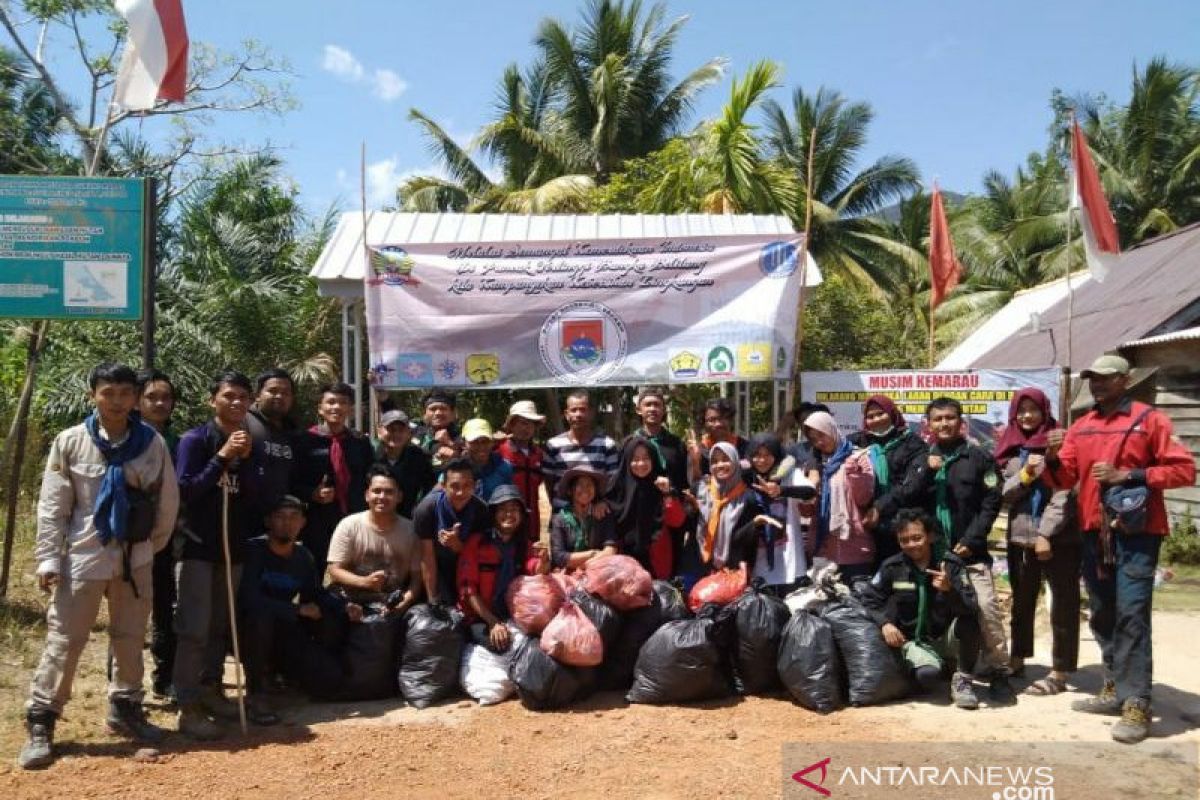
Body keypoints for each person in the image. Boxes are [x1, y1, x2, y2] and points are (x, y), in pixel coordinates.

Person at [18, 363, 179, 770]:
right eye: (109, 392)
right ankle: (42, 719)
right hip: (82, 557)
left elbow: (166, 504)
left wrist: (147, 549)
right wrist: (48, 558)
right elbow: (53, 507)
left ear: (135, 397)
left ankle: (126, 706)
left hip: (134, 559)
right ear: (93, 394)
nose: (117, 401)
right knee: (66, 639)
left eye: (126, 393)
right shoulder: (70, 442)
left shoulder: (151, 444)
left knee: (129, 637)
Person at [1044, 354, 1195, 743]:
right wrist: (1050, 455)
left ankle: (1137, 704)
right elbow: (1063, 479)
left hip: (1138, 533)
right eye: (1093, 378)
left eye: (1107, 378)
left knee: (1132, 614)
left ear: (1125, 380)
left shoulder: (1150, 420)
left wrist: (1128, 474)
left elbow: (1184, 471)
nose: (1098, 384)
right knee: (1102, 613)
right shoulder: (1082, 426)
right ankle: (1113, 688)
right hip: (1095, 533)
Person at [173, 370, 265, 740]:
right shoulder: (196, 440)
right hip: (197, 546)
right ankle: (187, 704)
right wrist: (221, 458)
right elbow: (186, 491)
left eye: (243, 397)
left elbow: (256, 496)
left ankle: (212, 691)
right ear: (213, 400)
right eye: (229, 396)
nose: (237, 403)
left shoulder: (249, 441)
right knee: (193, 629)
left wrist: (246, 460)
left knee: (217, 629)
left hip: (233, 548)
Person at [918, 397, 1015, 705]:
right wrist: (924, 470)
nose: (944, 424)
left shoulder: (979, 458)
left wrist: (972, 540)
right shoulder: (923, 460)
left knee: (986, 610)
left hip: (970, 554)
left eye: (950, 418)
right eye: (938, 419)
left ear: (961, 422)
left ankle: (999, 672)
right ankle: (950, 669)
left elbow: (991, 504)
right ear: (929, 424)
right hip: (932, 557)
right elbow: (909, 500)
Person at [995, 388, 1080, 697]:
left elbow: (1065, 493)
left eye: (1033, 410)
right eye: (1022, 410)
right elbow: (1004, 494)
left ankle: (1059, 671)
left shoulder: (1060, 443)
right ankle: (1018, 658)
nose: (1027, 416)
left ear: (1045, 411)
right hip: (1019, 537)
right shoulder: (1010, 448)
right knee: (1022, 602)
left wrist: (1046, 533)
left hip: (1060, 539)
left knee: (1063, 604)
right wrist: (1027, 474)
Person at [860, 509, 983, 709]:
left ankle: (963, 681)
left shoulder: (950, 565)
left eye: (917, 538)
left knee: (971, 622)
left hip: (945, 636)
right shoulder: (892, 567)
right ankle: (936, 668)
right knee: (929, 677)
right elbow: (868, 599)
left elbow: (971, 606)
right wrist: (885, 623)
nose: (911, 545)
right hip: (914, 641)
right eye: (904, 540)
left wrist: (949, 590)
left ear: (930, 536)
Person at [238, 495, 346, 721]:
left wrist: (346, 607)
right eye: (280, 517)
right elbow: (249, 599)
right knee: (260, 618)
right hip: (244, 630)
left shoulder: (303, 556)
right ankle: (256, 693)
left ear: (303, 523)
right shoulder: (253, 550)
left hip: (285, 629)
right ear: (268, 521)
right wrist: (296, 610)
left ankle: (289, 678)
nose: (287, 523)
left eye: (294, 517)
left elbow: (315, 594)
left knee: (331, 677)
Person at [293, 382, 375, 570]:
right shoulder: (304, 441)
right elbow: (291, 481)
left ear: (350, 409)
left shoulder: (360, 442)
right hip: (317, 518)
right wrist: (311, 493)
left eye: (343, 403)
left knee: (354, 568)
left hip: (354, 516)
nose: (336, 407)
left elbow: (370, 477)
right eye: (331, 402)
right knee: (314, 568)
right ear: (320, 408)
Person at [457, 484, 549, 651]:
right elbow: (468, 590)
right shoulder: (476, 543)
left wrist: (543, 561)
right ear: (493, 514)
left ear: (521, 516)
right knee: (504, 646)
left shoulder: (524, 545)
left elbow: (535, 572)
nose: (509, 514)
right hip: (480, 618)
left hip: (513, 616)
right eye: (503, 509)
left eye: (514, 509)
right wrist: (493, 622)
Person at [136, 368, 180, 700]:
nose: (160, 402)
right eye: (152, 396)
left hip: (167, 540)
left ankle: (165, 678)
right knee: (129, 612)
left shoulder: (178, 441)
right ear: (137, 402)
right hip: (129, 539)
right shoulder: (125, 439)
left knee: (166, 608)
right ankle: (122, 684)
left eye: (166, 397)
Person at [327, 466, 423, 618]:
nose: (382, 496)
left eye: (389, 492)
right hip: (351, 599)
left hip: (391, 600)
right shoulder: (349, 525)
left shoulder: (412, 531)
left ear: (399, 497)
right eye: (377, 491)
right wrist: (364, 582)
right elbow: (334, 570)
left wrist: (404, 602)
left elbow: (417, 578)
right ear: (367, 495)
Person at [850, 394, 929, 567]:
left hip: (901, 521)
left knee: (900, 576)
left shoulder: (913, 444)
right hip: (865, 523)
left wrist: (879, 507)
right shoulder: (857, 442)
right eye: (870, 417)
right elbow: (827, 448)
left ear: (892, 413)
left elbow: (912, 485)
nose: (876, 419)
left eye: (880, 414)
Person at [800, 411, 876, 585]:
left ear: (832, 429)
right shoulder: (815, 466)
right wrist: (805, 498)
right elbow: (808, 511)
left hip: (854, 546)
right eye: (813, 439)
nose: (819, 442)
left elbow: (864, 499)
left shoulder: (858, 457)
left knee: (856, 605)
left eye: (822, 434)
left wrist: (854, 473)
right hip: (824, 548)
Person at [680, 443, 762, 588]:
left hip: (730, 572)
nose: (720, 465)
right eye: (715, 461)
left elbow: (746, 542)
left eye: (725, 459)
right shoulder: (700, 489)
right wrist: (691, 510)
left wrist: (754, 524)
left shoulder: (748, 498)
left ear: (735, 462)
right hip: (698, 566)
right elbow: (688, 527)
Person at [743, 432, 816, 594]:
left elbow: (810, 492)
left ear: (776, 454)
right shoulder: (746, 478)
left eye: (768, 455)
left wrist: (781, 490)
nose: (761, 460)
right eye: (756, 455)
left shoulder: (787, 474)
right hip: (757, 563)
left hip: (788, 563)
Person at [607, 435, 687, 578]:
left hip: (656, 562)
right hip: (622, 564)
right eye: (635, 459)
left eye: (646, 458)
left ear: (653, 459)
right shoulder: (616, 489)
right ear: (627, 460)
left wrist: (668, 494)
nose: (641, 463)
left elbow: (677, 521)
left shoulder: (661, 486)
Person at [413, 458, 490, 605]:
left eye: (467, 485)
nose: (461, 492)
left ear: (475, 486)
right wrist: (432, 598)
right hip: (436, 564)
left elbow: (478, 556)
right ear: (443, 486)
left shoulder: (481, 510)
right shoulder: (426, 509)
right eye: (454, 486)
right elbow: (426, 556)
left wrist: (457, 545)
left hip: (467, 567)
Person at [541, 389, 619, 500]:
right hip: (562, 513)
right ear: (566, 414)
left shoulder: (607, 445)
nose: (578, 414)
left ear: (591, 413)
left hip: (595, 513)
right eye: (573, 410)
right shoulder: (553, 445)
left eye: (583, 410)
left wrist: (603, 503)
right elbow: (549, 483)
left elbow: (612, 482)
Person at [245, 368, 299, 513]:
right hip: (245, 514)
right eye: (273, 391)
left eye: (286, 393)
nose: (279, 396)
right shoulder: (243, 423)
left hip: (280, 520)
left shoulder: (293, 433)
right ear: (257, 395)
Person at [549, 466, 619, 570]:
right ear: (570, 491)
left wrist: (584, 566)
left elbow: (611, 549)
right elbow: (559, 557)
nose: (585, 489)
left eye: (589, 485)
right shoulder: (559, 519)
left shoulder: (603, 514)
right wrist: (593, 553)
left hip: (598, 571)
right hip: (568, 575)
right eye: (580, 485)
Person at [496, 400, 546, 542]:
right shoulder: (498, 451)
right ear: (511, 425)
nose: (527, 428)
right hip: (505, 519)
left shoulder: (539, 454)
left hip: (532, 520)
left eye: (531, 423)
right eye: (522, 423)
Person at [374, 408, 435, 519]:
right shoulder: (369, 454)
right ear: (379, 431)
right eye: (391, 429)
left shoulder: (418, 457)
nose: (396, 434)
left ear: (408, 433)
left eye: (401, 430)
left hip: (408, 521)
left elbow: (429, 488)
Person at [633, 387, 688, 492]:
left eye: (657, 405)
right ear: (638, 410)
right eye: (648, 405)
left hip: (671, 503)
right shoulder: (630, 444)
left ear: (664, 410)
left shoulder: (676, 444)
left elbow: (684, 481)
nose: (652, 409)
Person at [688, 397, 748, 481]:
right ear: (704, 423)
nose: (718, 424)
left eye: (722, 418)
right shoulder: (698, 450)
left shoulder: (745, 447)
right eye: (712, 420)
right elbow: (694, 485)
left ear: (730, 420)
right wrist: (695, 462)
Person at [459, 418, 514, 501]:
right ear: (464, 443)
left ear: (492, 442)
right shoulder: (455, 469)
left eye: (485, 441)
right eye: (474, 442)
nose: (481, 447)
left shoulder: (504, 468)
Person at [414, 389, 462, 473]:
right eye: (433, 409)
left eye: (443, 408)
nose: (438, 413)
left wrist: (450, 444)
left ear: (453, 413)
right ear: (424, 414)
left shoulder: (463, 437)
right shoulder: (413, 433)